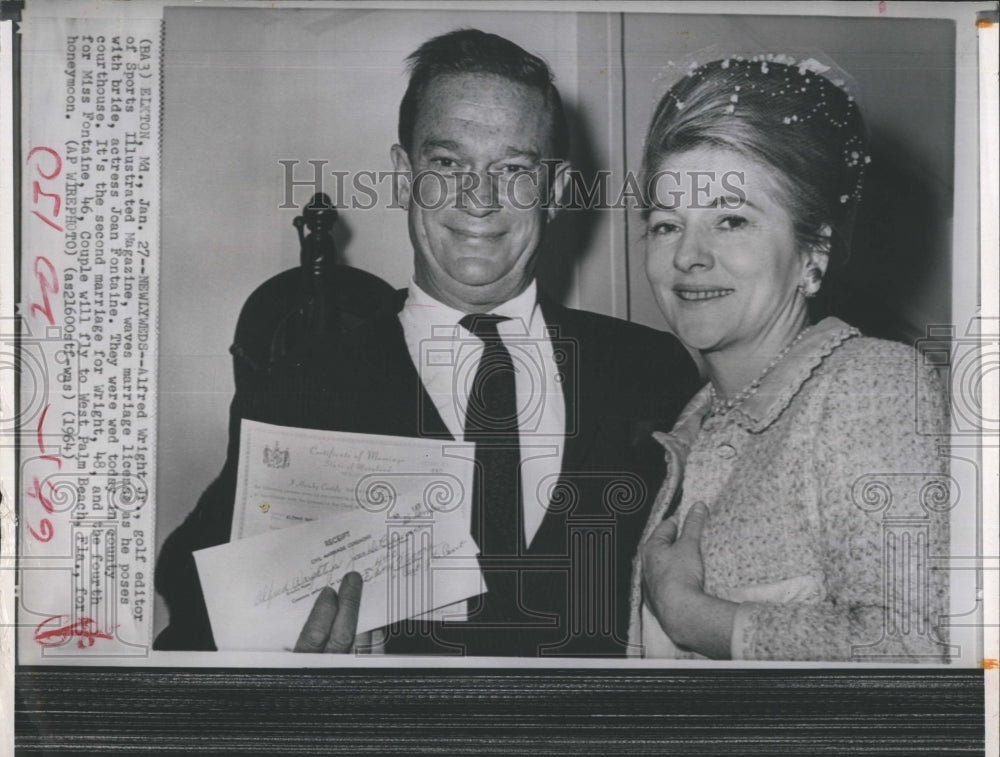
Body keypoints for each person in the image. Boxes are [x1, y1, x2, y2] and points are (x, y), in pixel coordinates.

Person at [154, 29, 701, 656]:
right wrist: (282, 668)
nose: (479, 198)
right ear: (403, 176)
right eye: (447, 164)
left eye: (514, 169)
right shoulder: (297, 386)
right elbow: (194, 624)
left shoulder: (652, 369)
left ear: (553, 191)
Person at [627, 56, 951, 661]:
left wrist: (698, 620)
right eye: (667, 224)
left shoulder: (871, 384)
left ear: (812, 253)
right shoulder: (696, 420)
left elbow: (913, 648)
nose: (688, 256)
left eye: (731, 220)